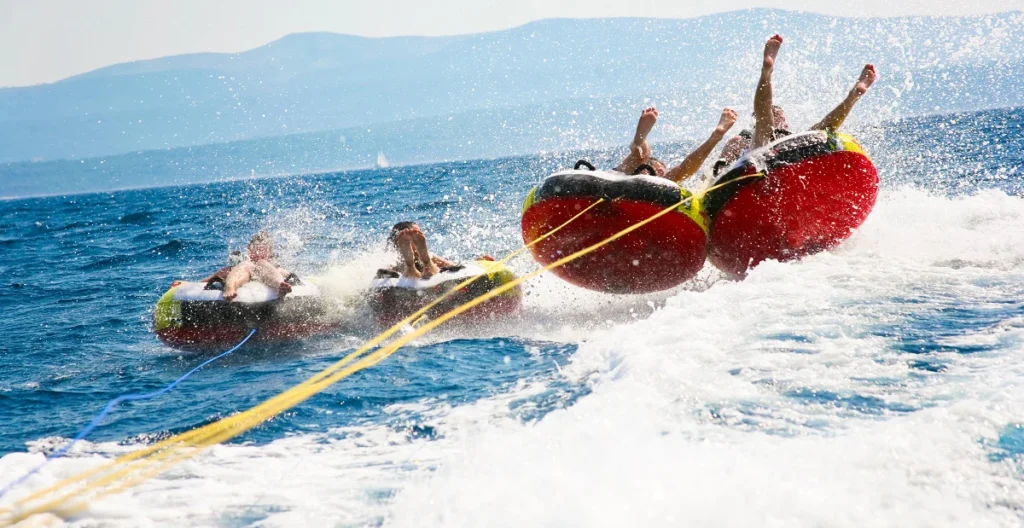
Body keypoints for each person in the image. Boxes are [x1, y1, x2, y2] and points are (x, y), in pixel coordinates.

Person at [714, 34, 878, 173]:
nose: (780, 120)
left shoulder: (792, 140)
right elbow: (719, 169)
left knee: (820, 131)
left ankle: (852, 96)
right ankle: (766, 73)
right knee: (766, 131)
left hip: (786, 161)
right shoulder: (744, 140)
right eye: (776, 116)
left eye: (780, 117)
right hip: (754, 166)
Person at [614, 106, 738, 184]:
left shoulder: (664, 183)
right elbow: (639, 161)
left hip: (648, 197)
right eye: (657, 168)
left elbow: (683, 168)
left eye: (662, 169)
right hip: (622, 181)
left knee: (678, 173)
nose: (661, 170)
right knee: (639, 157)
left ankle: (714, 138)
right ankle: (640, 141)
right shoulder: (625, 175)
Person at [218, 231, 293, 301]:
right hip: (245, 273)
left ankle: (281, 286)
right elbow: (224, 272)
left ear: (270, 252)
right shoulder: (245, 261)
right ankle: (230, 287)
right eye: (256, 249)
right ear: (249, 249)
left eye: (263, 250)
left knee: (262, 263)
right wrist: (209, 280)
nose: (259, 254)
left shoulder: (271, 264)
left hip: (268, 275)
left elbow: (287, 274)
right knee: (246, 264)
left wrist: (290, 279)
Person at [386, 221, 456, 279]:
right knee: (433, 267)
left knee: (407, 274)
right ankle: (426, 265)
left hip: (408, 280)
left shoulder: (394, 260)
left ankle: (410, 266)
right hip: (428, 275)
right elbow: (453, 266)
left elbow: (383, 276)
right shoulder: (393, 260)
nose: (421, 235)